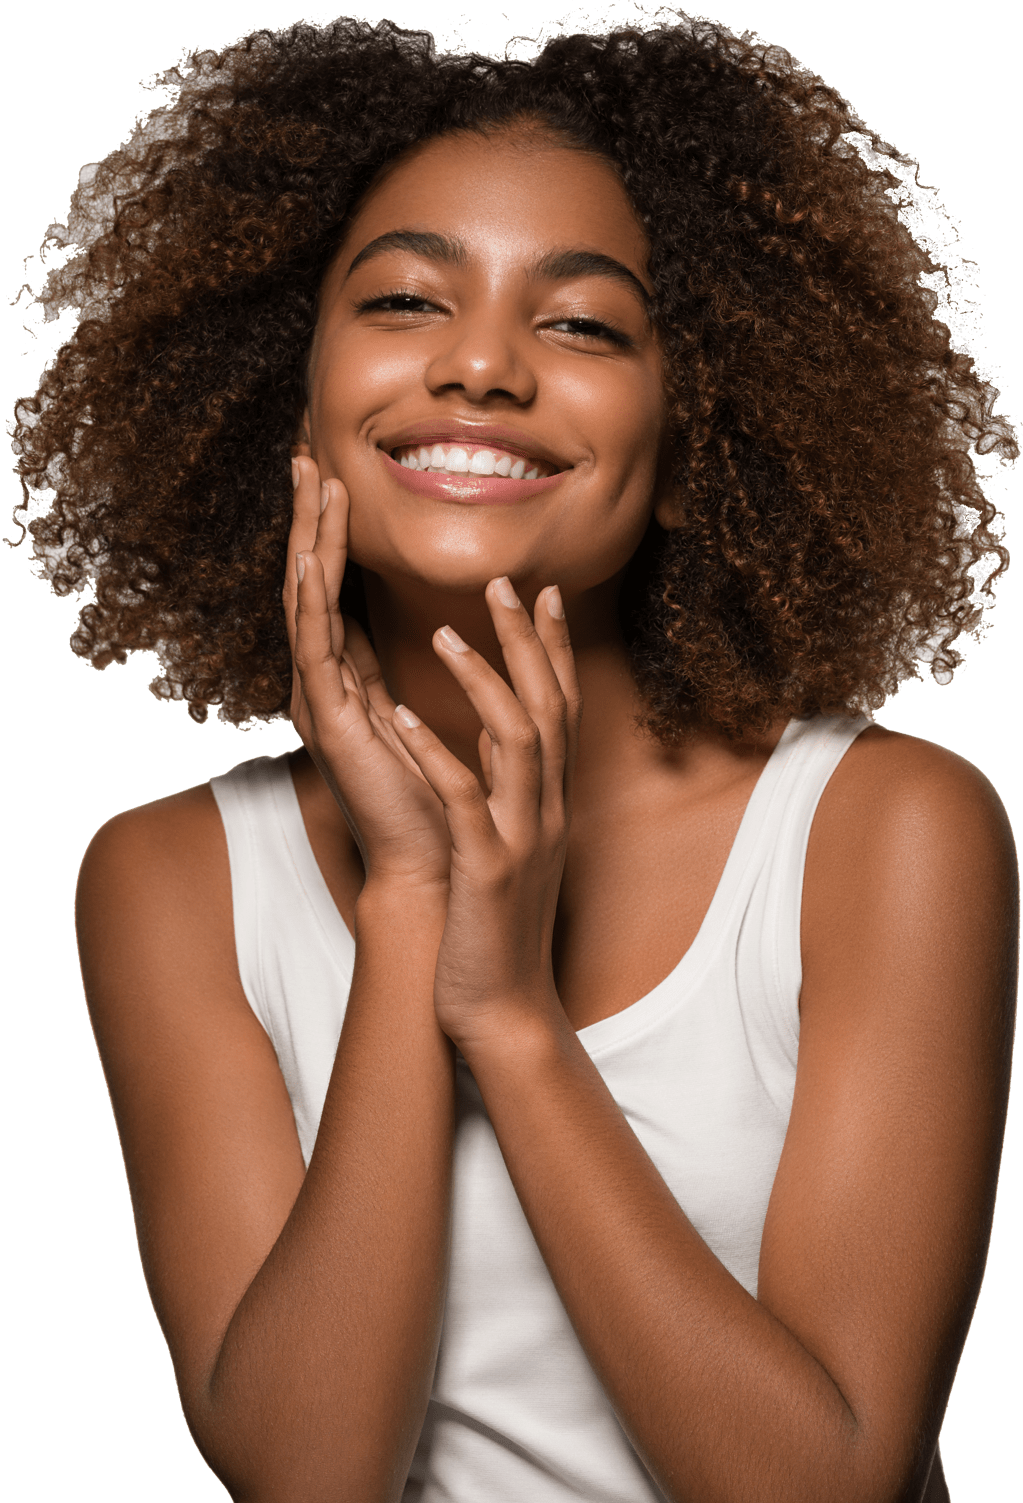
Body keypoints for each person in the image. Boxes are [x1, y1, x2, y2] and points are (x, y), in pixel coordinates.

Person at [10, 16, 1018, 1503]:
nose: (481, 365)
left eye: (584, 324)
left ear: (688, 440)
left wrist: (514, 1017)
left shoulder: (884, 835)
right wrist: (414, 889)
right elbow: (306, 1475)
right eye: (408, 300)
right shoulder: (167, 879)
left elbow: (823, 1483)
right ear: (288, 399)